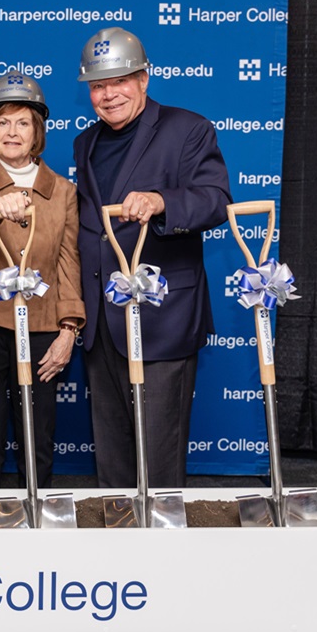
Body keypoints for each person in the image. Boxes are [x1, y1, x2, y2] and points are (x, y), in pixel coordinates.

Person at [73, 27, 231, 489]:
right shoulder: (87, 143)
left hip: (163, 317)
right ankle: (117, 541)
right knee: (113, 451)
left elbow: (216, 200)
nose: (108, 94)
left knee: (159, 453)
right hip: (103, 320)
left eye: (120, 81)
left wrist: (162, 202)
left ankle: (161, 553)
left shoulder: (188, 129)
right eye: (98, 86)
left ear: (144, 78)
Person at [0, 71, 85, 489]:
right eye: (3, 123)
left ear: (37, 132)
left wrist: (69, 329)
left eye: (23, 122)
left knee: (38, 434)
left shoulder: (63, 191)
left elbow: (68, 261)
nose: (12, 132)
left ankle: (36, 521)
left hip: (44, 325)